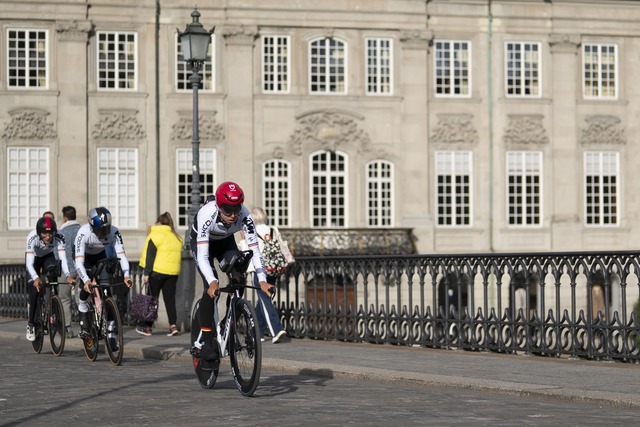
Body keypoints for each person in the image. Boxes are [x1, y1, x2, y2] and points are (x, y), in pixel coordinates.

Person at [191, 181, 273, 367]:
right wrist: (212, 281)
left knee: (240, 274)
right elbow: (203, 257)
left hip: (225, 242)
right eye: (228, 211)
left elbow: (255, 251)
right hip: (204, 244)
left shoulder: (245, 216)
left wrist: (262, 280)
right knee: (209, 287)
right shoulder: (206, 214)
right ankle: (204, 338)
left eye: (236, 209)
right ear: (219, 207)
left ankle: (229, 319)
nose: (233, 215)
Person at [74, 207, 133, 344]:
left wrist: (127, 275)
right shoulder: (83, 233)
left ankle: (111, 331)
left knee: (107, 291)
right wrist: (87, 280)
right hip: (85, 258)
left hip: (101, 256)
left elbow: (122, 256)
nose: (103, 234)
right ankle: (83, 309)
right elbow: (78, 263)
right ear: (91, 226)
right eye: (100, 231)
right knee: (86, 285)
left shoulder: (114, 232)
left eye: (106, 230)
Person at [25, 216, 75, 341]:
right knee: (34, 289)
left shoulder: (59, 236)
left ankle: (54, 303)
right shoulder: (32, 238)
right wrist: (36, 278)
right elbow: (29, 264)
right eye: (44, 233)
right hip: (34, 260)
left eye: (50, 233)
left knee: (54, 270)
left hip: (47, 257)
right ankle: (31, 324)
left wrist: (68, 275)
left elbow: (63, 259)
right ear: (38, 233)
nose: (48, 236)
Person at [243, 207, 288, 343]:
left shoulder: (252, 230)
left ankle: (276, 329)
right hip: (273, 267)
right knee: (262, 299)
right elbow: (281, 246)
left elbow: (247, 250)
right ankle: (258, 332)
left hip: (259, 270)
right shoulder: (273, 229)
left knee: (264, 299)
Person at [136, 212, 183, 337]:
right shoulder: (176, 237)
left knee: (152, 299)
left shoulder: (155, 235)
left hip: (157, 272)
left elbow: (150, 256)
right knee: (170, 300)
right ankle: (173, 326)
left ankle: (147, 327)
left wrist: (146, 273)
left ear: (159, 223)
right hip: (172, 273)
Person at [57, 206, 81, 338]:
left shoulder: (61, 232)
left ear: (65, 217)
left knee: (64, 299)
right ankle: (86, 326)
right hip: (80, 270)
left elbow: (57, 254)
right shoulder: (82, 230)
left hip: (65, 271)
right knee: (81, 299)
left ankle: (67, 328)